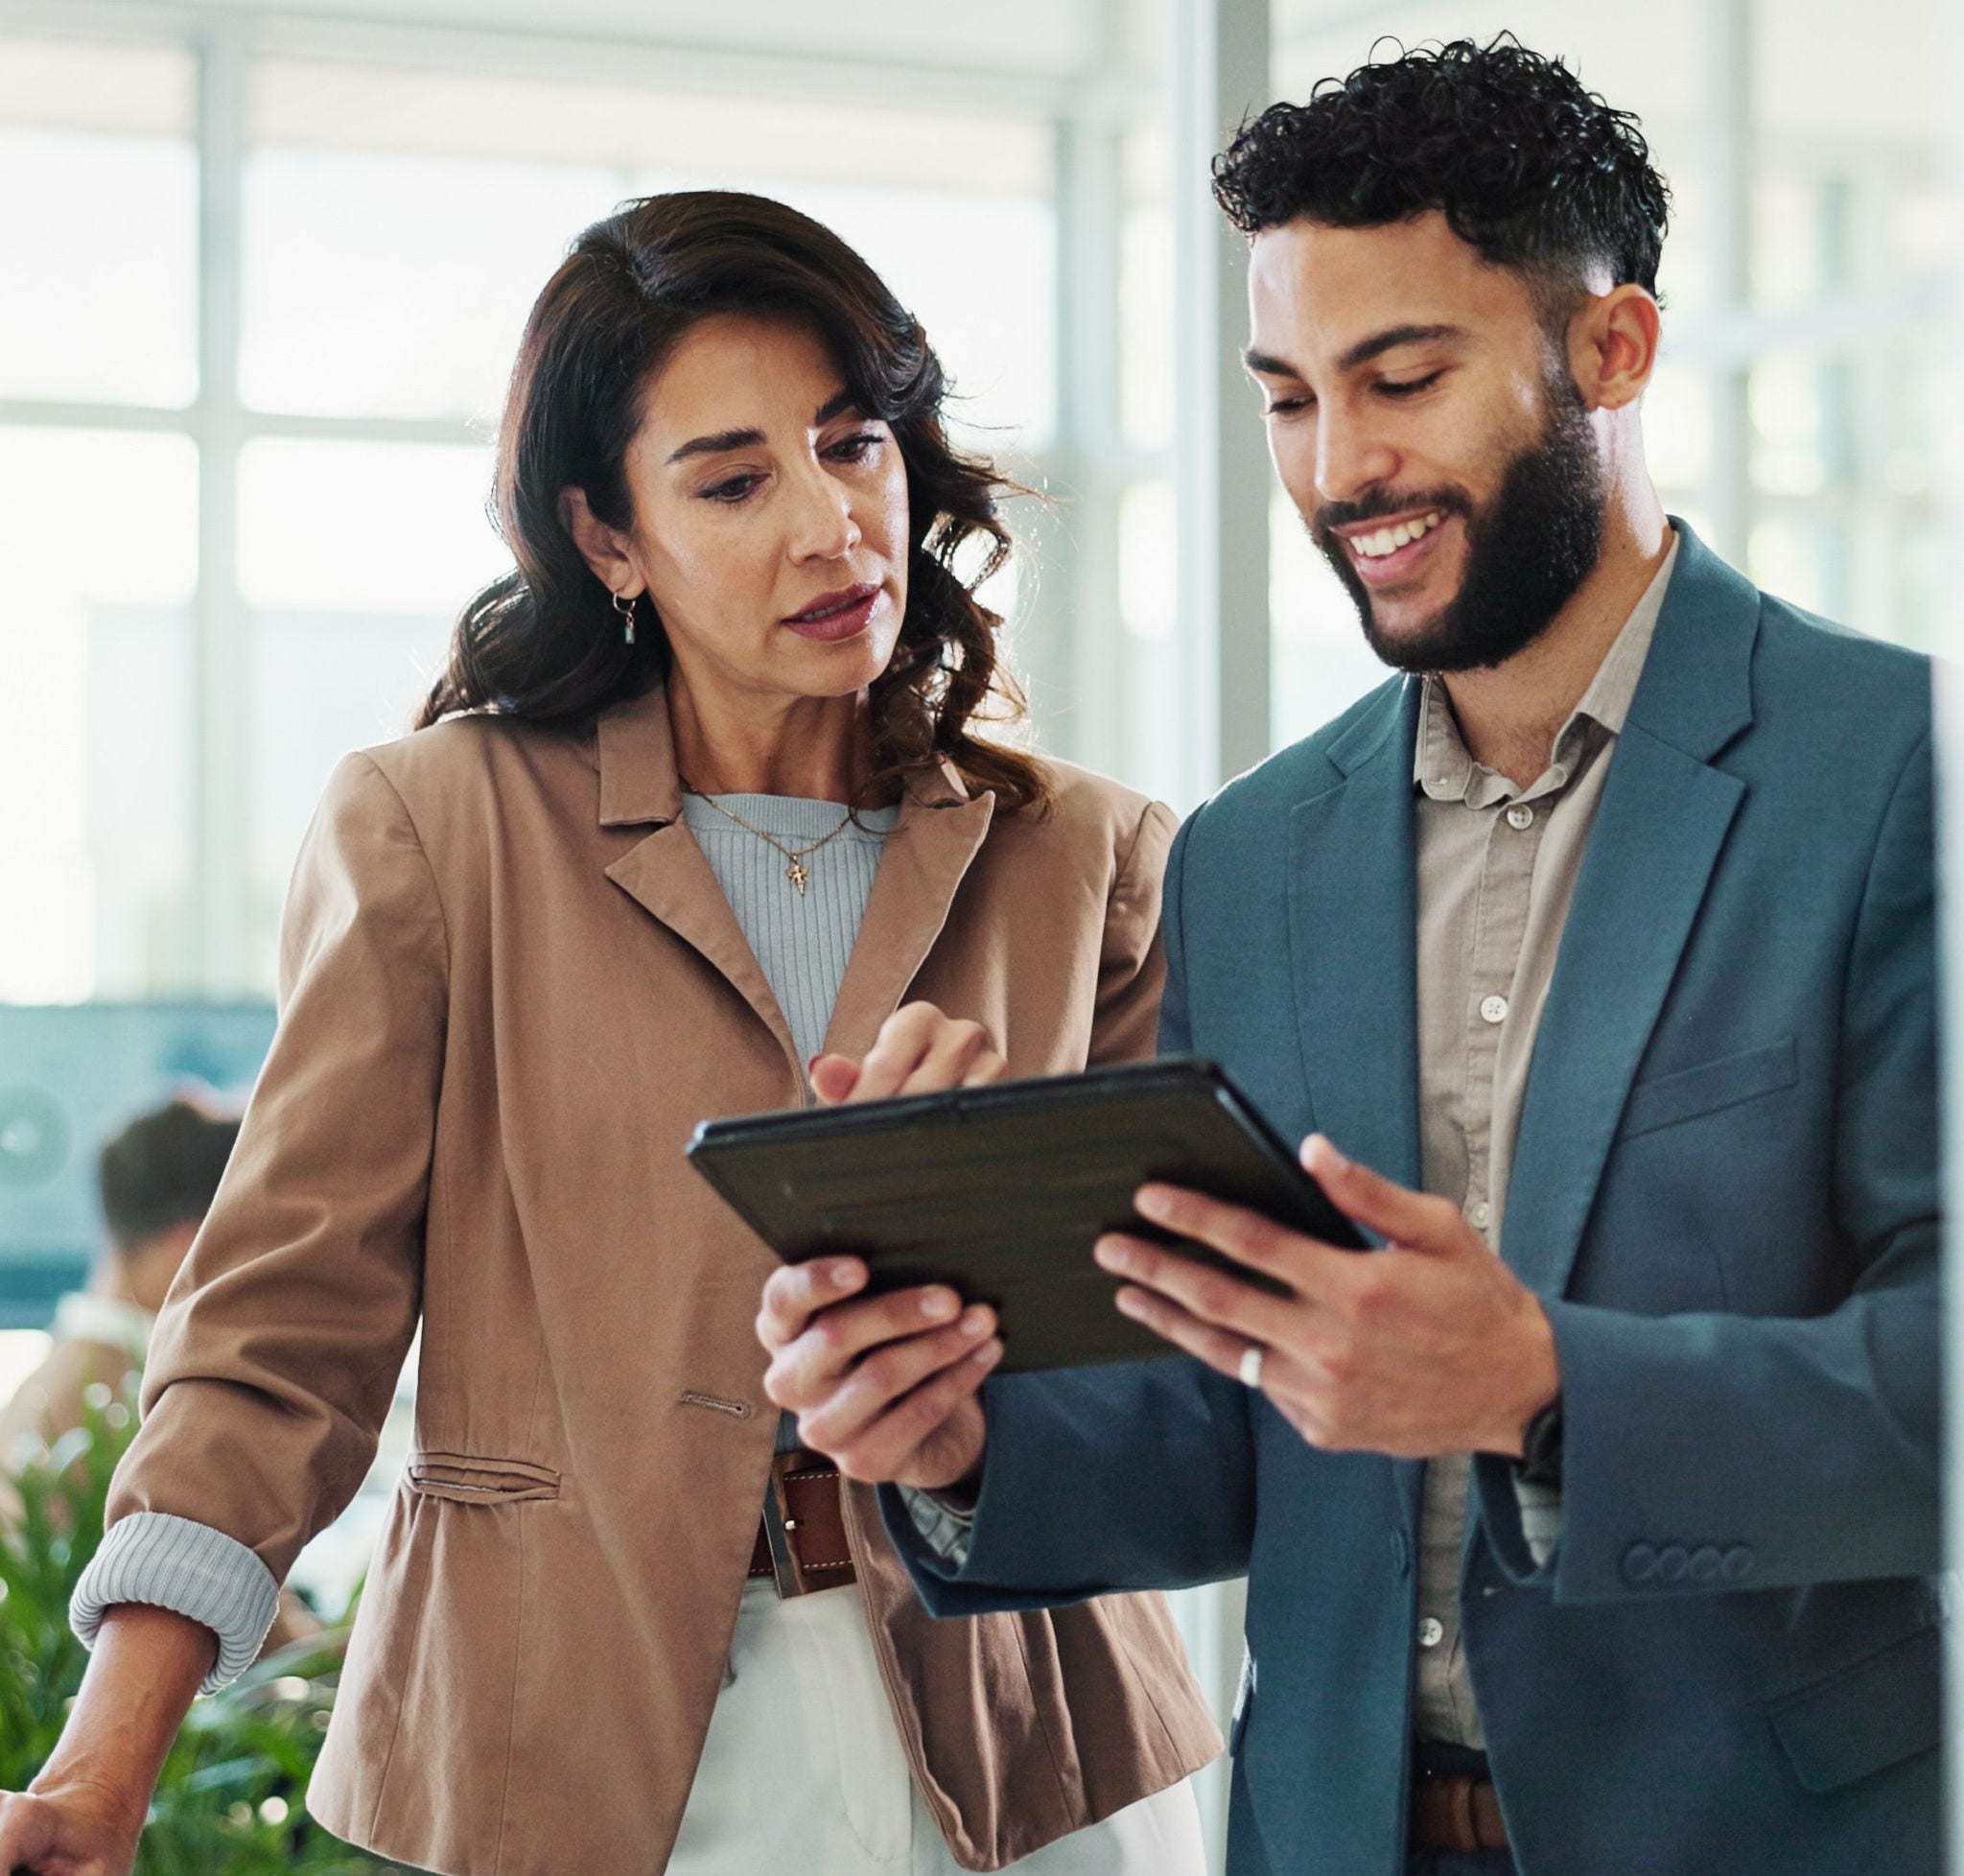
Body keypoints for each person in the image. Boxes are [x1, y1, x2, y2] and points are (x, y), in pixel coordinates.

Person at [758, 39, 1940, 1876]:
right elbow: (1240, 1437)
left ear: (1610, 352)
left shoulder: (1892, 779)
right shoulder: (1253, 858)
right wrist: (953, 1441)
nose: (1341, 467)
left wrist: (1542, 1383)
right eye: (1290, 397)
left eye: (1403, 378)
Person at [0, 193, 1215, 1876]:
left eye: (853, 444)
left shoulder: (1091, 858)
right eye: (732, 481)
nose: (832, 524)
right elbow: (283, 1328)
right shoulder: (440, 831)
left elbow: (1166, 1353)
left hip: (1035, 1747)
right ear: (607, 536)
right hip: (555, 1754)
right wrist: (103, 1766)